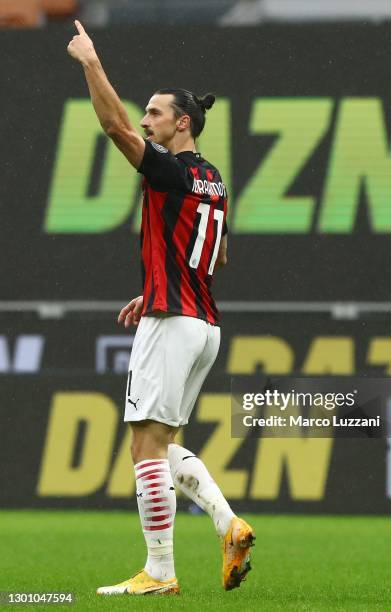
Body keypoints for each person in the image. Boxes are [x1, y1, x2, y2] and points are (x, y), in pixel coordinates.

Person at [67, 20, 254, 596]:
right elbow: (216, 253)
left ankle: (160, 572)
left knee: (144, 448)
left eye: (155, 113)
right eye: (146, 113)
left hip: (172, 322)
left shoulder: (171, 170)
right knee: (167, 443)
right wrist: (162, 281)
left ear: (182, 123)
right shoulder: (214, 181)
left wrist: (90, 62)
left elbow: (111, 124)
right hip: (203, 323)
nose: (146, 121)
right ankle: (229, 525)